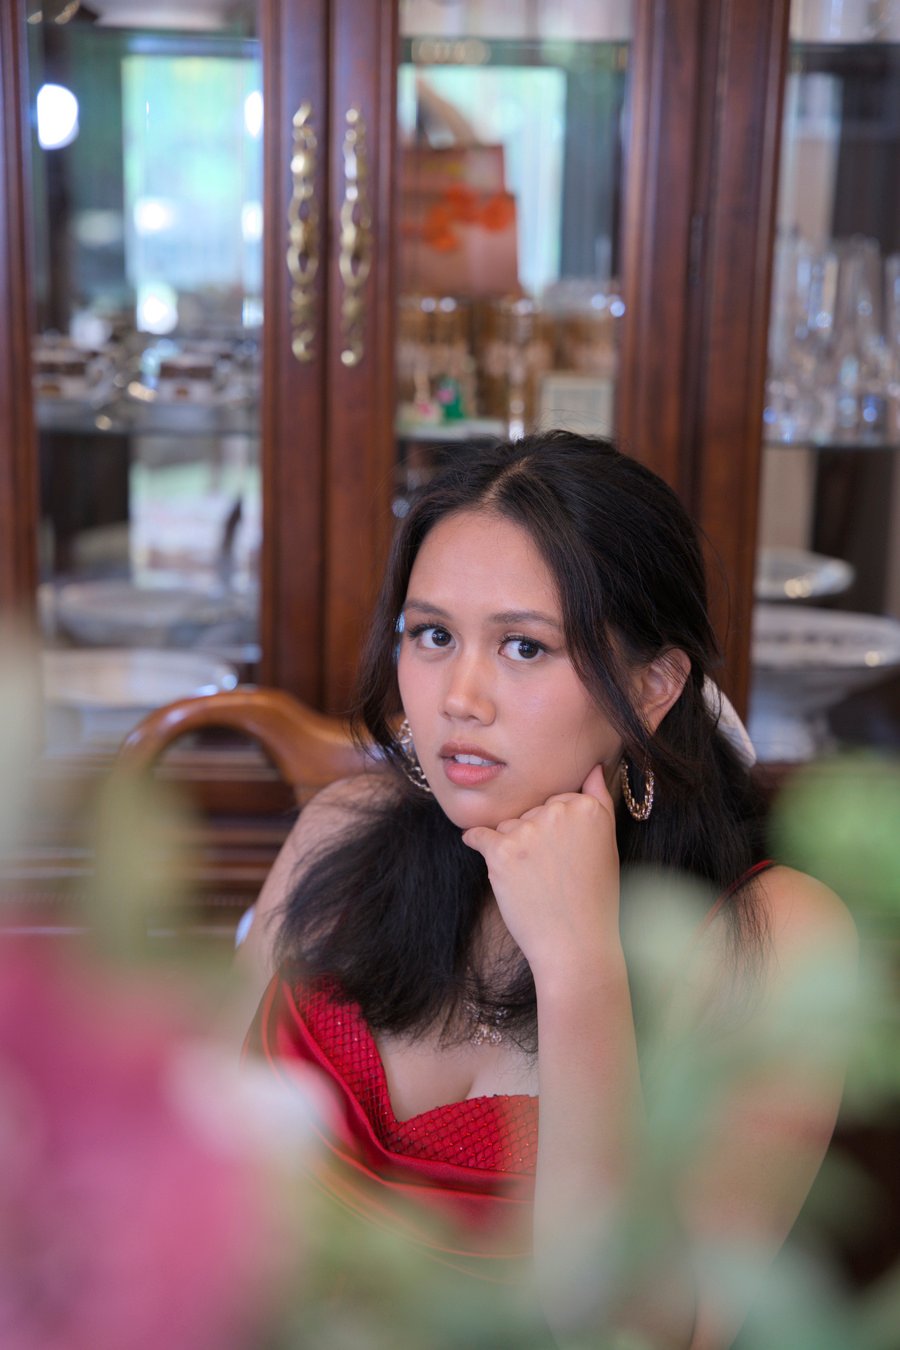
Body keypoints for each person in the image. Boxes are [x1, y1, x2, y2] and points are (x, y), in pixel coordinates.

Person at [239, 432, 856, 1347]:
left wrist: (579, 969)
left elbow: (643, 1333)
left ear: (652, 688)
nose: (460, 697)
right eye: (433, 635)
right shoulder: (342, 829)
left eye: (525, 647)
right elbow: (186, 1173)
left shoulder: (774, 939)